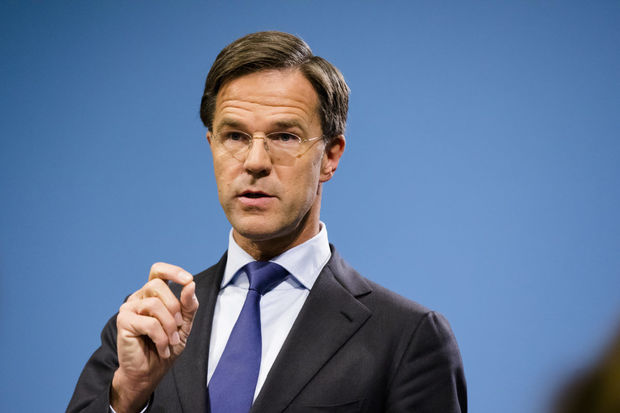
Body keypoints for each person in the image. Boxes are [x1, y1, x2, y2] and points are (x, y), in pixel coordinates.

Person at [67, 31, 467, 413]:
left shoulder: (408, 338)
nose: (255, 162)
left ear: (330, 156)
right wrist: (127, 395)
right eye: (235, 136)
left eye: (284, 136)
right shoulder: (148, 320)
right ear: (212, 146)